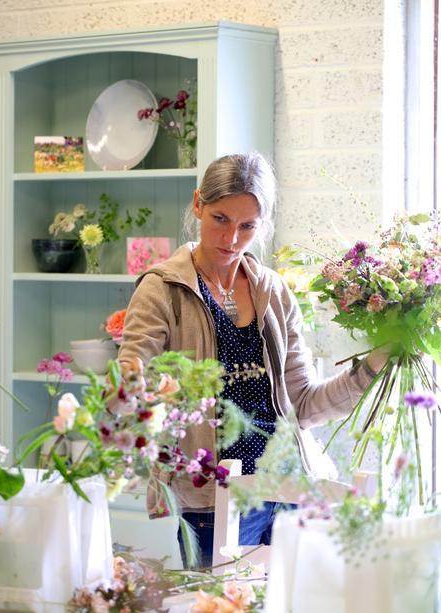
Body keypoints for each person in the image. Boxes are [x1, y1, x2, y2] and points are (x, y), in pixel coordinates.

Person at [118, 152, 387, 568]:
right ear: (197, 205)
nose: (231, 239)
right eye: (220, 219)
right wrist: (142, 398)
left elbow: (302, 405)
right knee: (216, 601)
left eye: (247, 226)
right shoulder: (162, 290)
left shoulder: (273, 292)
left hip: (289, 490)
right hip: (211, 499)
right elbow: (131, 386)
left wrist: (372, 368)